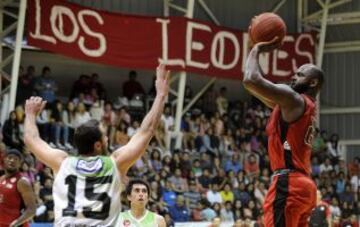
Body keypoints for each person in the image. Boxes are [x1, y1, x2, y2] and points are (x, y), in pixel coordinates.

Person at [23, 64, 170, 226]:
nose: (108, 139)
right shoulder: (115, 163)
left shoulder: (61, 162)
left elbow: (31, 139)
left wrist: (30, 115)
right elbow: (147, 130)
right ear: (98, 145)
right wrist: (161, 96)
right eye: (105, 137)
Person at [243, 36, 324, 227]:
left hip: (290, 184)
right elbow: (256, 88)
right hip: (304, 185)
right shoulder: (302, 106)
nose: (293, 76)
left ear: (312, 83)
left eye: (300, 74)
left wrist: (256, 49)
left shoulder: (294, 99)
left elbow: (250, 79)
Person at [0, 149, 36, 227]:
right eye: (9, 157)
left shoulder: (22, 182)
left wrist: (16, 223)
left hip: (16, 225)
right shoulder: (1, 179)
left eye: (16, 159)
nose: (12, 160)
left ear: (20, 164)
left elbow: (32, 209)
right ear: (4, 160)